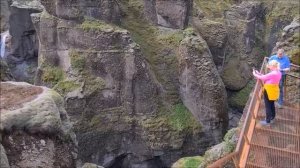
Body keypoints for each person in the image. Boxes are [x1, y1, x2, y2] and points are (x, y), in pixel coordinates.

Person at [253, 60, 281, 126]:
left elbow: (263, 78)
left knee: (268, 105)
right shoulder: (278, 72)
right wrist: (259, 73)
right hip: (273, 90)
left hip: (268, 91)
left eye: (270, 65)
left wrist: (255, 74)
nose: (268, 66)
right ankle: (272, 117)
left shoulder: (273, 73)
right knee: (271, 104)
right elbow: (267, 77)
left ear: (273, 66)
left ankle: (267, 121)